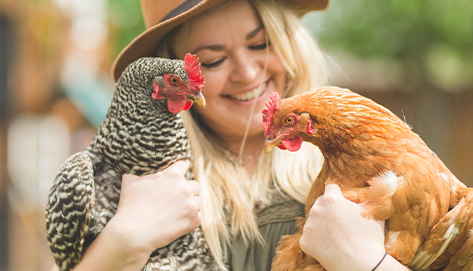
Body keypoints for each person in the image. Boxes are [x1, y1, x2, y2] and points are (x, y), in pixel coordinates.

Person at [52, 0, 410, 270]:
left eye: (259, 44)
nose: (247, 72)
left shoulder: (367, 167)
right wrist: (124, 241)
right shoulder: (132, 191)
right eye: (212, 60)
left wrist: (368, 260)